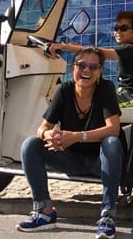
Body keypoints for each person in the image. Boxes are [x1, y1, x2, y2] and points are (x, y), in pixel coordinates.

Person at [16, 47, 123, 238]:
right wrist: (49, 136)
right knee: (30, 144)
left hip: (100, 161)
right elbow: (42, 128)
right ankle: (44, 211)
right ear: (73, 68)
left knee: (112, 143)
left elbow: (113, 128)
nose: (86, 71)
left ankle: (107, 216)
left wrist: (76, 136)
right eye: (81, 65)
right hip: (71, 160)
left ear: (100, 72)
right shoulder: (65, 90)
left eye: (93, 66)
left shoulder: (105, 89)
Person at [53, 11, 133, 105]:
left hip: (131, 97)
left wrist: (64, 46)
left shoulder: (131, 49)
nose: (118, 31)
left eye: (123, 28)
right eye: (116, 28)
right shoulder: (132, 48)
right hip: (125, 93)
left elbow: (98, 53)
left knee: (90, 103)